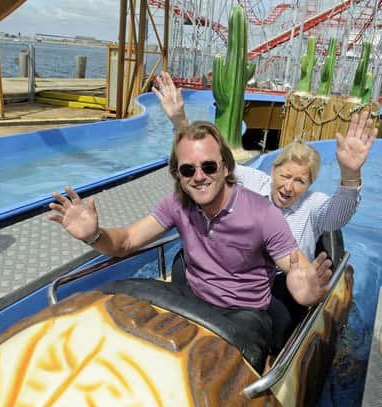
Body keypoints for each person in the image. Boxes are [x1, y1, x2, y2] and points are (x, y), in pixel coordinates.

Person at [48, 121, 333, 367]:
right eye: (188, 170)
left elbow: (295, 267)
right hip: (189, 301)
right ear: (178, 175)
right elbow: (127, 241)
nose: (199, 176)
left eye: (208, 166)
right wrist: (93, 235)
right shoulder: (177, 204)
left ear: (224, 167)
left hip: (242, 316)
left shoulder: (263, 214)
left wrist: (306, 290)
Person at [152, 71, 377, 259]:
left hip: (285, 284)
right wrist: (180, 122)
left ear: (309, 184)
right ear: (273, 170)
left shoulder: (312, 205)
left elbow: (338, 217)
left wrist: (350, 173)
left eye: (300, 181)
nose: (289, 187)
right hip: (239, 272)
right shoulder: (254, 183)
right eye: (285, 176)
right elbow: (211, 166)